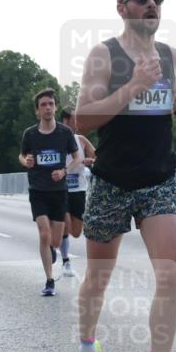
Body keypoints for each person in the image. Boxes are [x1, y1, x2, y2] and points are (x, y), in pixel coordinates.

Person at [74, 0, 176, 352]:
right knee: (97, 280)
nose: (152, 5)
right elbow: (82, 120)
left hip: (158, 179)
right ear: (122, 7)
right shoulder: (104, 55)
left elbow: (162, 109)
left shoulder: (170, 55)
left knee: (172, 272)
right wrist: (132, 88)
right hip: (112, 181)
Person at [19, 88, 80, 296]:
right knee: (44, 234)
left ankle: (53, 250)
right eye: (43, 105)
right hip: (38, 190)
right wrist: (26, 161)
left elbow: (77, 158)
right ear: (37, 111)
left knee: (54, 240)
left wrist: (64, 171)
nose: (47, 108)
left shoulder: (65, 132)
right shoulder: (30, 134)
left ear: (55, 107)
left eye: (51, 104)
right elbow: (22, 156)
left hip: (59, 191)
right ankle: (49, 280)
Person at [59, 109, 96, 276]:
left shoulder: (81, 140)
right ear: (66, 121)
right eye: (75, 120)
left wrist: (90, 161)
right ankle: (66, 261)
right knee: (64, 223)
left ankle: (56, 241)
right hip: (60, 189)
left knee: (76, 231)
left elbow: (98, 156)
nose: (77, 123)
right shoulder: (55, 140)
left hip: (79, 189)